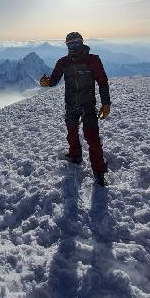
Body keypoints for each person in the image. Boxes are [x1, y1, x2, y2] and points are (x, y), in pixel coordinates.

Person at [40, 32, 110, 186]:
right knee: (72, 134)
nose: (73, 47)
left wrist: (106, 103)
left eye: (76, 43)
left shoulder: (93, 60)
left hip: (88, 106)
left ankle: (99, 171)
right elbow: (54, 81)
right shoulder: (63, 62)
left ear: (82, 43)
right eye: (70, 44)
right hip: (71, 105)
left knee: (93, 138)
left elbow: (102, 82)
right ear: (67, 46)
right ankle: (75, 155)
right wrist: (46, 82)